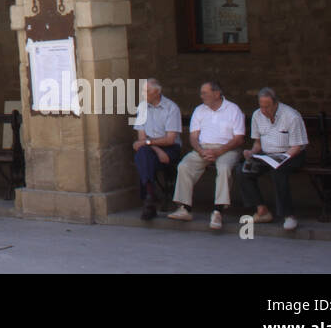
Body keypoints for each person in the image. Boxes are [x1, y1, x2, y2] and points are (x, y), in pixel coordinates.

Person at [169, 80, 245, 229]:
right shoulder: (199, 110)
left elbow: (239, 139)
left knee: (223, 168)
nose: (201, 96)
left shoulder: (233, 110)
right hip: (203, 149)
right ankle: (185, 208)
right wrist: (201, 150)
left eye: (205, 93)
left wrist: (219, 151)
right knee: (185, 166)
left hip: (227, 148)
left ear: (217, 94)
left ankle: (218, 211)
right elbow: (193, 136)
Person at [238, 86, 309, 231]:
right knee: (243, 170)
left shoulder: (291, 116)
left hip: (291, 153)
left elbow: (297, 146)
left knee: (278, 172)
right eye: (262, 106)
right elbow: (257, 143)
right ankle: (261, 210)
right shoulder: (257, 115)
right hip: (268, 154)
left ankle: (288, 215)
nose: (264, 110)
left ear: (276, 103)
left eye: (267, 107)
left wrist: (282, 158)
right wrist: (251, 152)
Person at [132, 78, 182, 219]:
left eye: (147, 91)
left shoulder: (171, 108)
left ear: (157, 92)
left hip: (170, 148)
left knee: (142, 156)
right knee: (143, 154)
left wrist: (150, 144)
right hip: (152, 148)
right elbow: (141, 138)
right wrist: (155, 148)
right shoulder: (142, 107)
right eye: (143, 91)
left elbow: (170, 139)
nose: (143, 94)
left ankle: (148, 199)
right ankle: (150, 197)